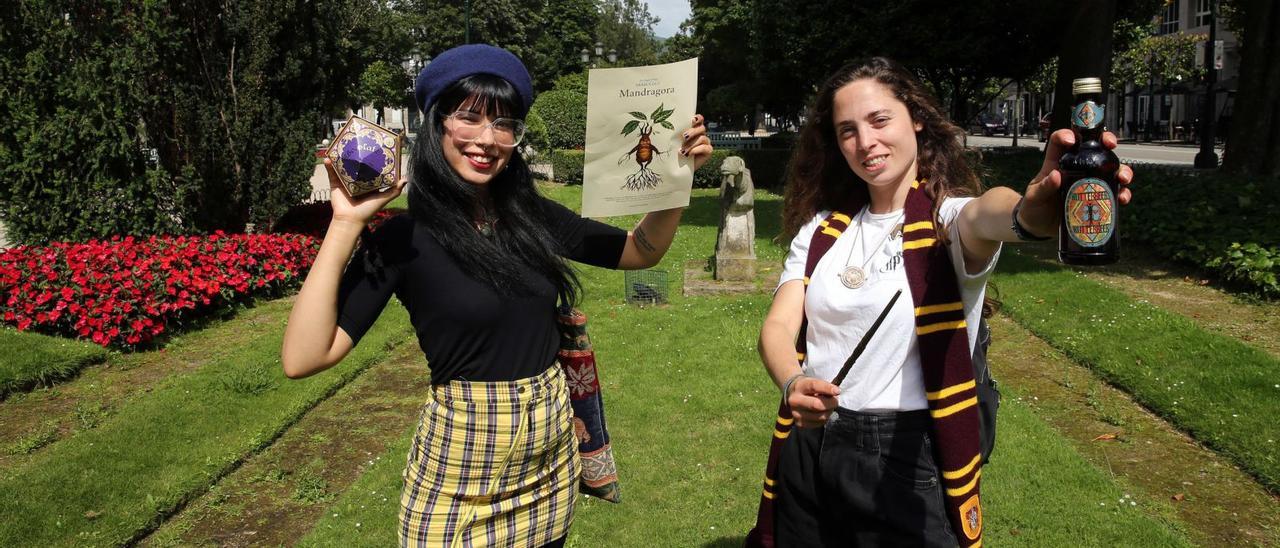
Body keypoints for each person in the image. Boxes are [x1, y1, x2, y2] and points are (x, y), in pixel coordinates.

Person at [280, 44, 712, 548]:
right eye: (470, 119)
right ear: (438, 124)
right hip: (461, 473)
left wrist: (678, 178)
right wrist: (348, 222)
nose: (488, 139)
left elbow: (641, 251)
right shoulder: (405, 239)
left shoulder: (533, 218)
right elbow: (303, 357)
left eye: (504, 124)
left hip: (550, 467)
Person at [754, 57, 1133, 547]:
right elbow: (778, 327)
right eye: (847, 130)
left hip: (902, 457)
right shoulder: (822, 230)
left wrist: (1030, 210)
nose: (865, 141)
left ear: (915, 119)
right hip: (809, 446)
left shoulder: (944, 219)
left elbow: (985, 215)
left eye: (879, 120)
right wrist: (792, 380)